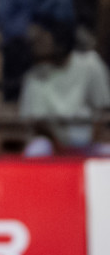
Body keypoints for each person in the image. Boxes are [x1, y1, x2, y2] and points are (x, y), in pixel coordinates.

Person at [19, 19, 110, 157]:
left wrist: (94, 139)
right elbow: (39, 123)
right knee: (35, 151)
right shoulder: (34, 76)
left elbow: (102, 110)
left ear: (59, 40)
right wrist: (61, 148)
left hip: (91, 142)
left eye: (44, 36)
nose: (37, 41)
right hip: (54, 145)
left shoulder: (91, 63)